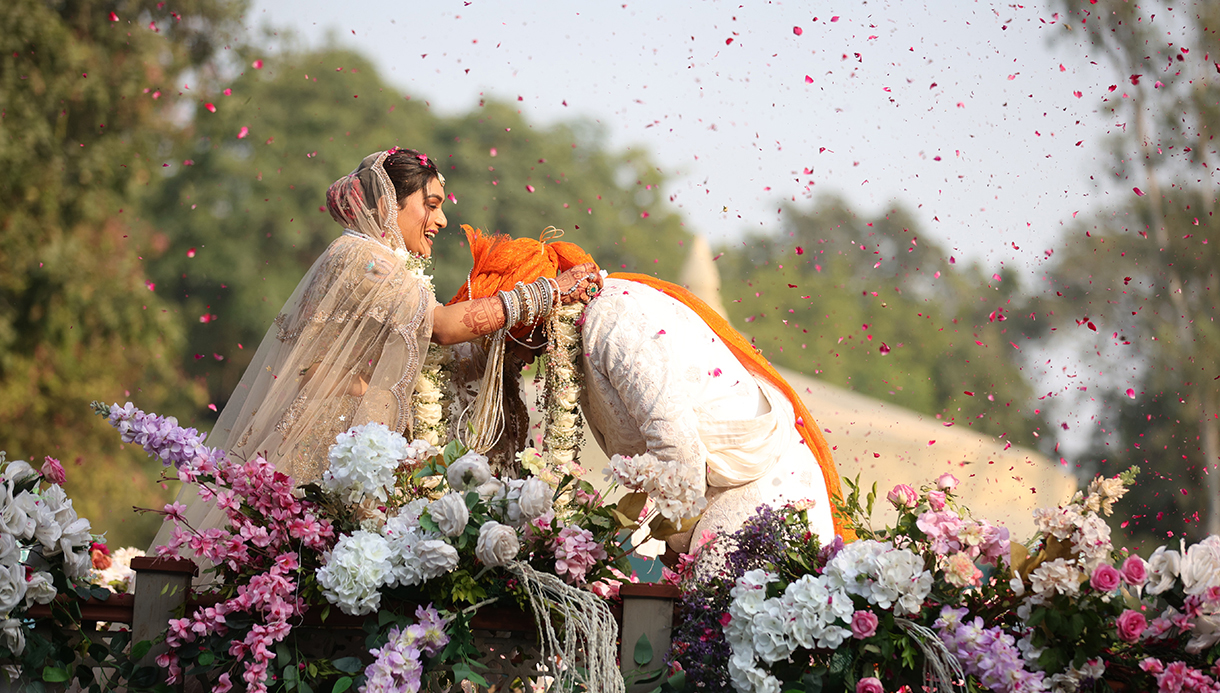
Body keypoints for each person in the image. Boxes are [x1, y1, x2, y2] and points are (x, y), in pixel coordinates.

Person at [151, 149, 601, 551]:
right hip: (324, 454)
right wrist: (548, 291)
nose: (443, 220)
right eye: (431, 205)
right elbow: (443, 327)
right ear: (388, 205)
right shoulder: (366, 261)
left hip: (343, 450)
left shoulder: (369, 259)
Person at [451, 229, 850, 559]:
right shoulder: (579, 332)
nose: (517, 358)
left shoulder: (612, 323)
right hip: (708, 503)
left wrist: (666, 543)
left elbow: (679, 451)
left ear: (531, 312)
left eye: (506, 339)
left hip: (757, 493)